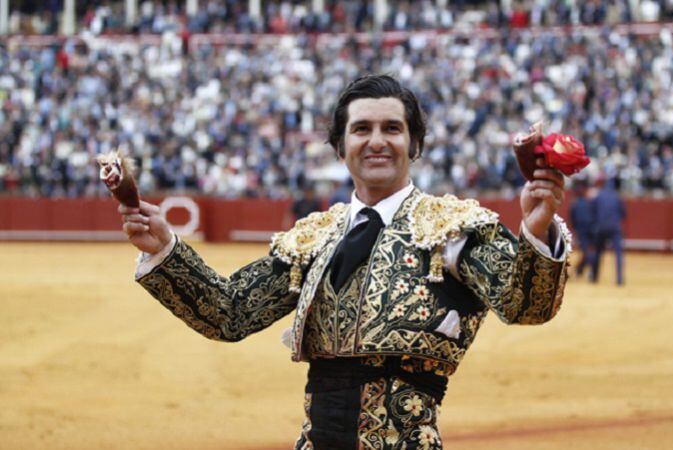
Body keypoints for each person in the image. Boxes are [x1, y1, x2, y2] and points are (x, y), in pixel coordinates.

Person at [118, 75, 570, 449]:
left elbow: (524, 306)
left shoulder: (453, 228)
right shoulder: (314, 237)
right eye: (362, 129)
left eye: (392, 129)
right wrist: (163, 248)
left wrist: (535, 232)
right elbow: (229, 312)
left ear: (414, 145)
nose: (377, 141)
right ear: (340, 147)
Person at [590, 177, 626, 285]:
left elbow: (592, 210)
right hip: (615, 227)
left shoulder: (599, 196)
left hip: (601, 227)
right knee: (618, 253)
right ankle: (619, 278)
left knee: (597, 252)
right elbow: (624, 213)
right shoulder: (617, 197)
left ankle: (595, 277)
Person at [569, 178, 595, 277]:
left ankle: (579, 270)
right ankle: (588, 271)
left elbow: (572, 219)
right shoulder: (588, 201)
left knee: (586, 251)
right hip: (586, 229)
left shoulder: (575, 203)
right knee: (587, 251)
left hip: (584, 230)